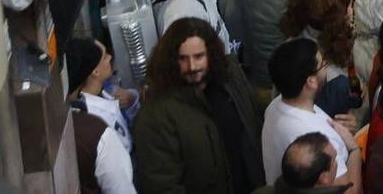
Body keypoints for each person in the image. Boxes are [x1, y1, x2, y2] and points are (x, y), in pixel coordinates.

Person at [132, 18, 265, 194]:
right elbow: (161, 185)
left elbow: (254, 122)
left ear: (211, 54)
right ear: (171, 60)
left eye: (198, 57)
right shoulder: (156, 115)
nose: (192, 66)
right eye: (182, 59)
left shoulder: (230, 79)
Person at [259, 38, 358, 188]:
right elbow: (350, 191)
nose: (326, 67)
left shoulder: (273, 107)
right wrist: (354, 150)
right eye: (323, 63)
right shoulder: (321, 142)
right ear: (311, 81)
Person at [62, 38, 135, 194]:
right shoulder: (93, 121)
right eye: (104, 57)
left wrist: (133, 99)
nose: (109, 57)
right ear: (95, 71)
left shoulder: (106, 91)